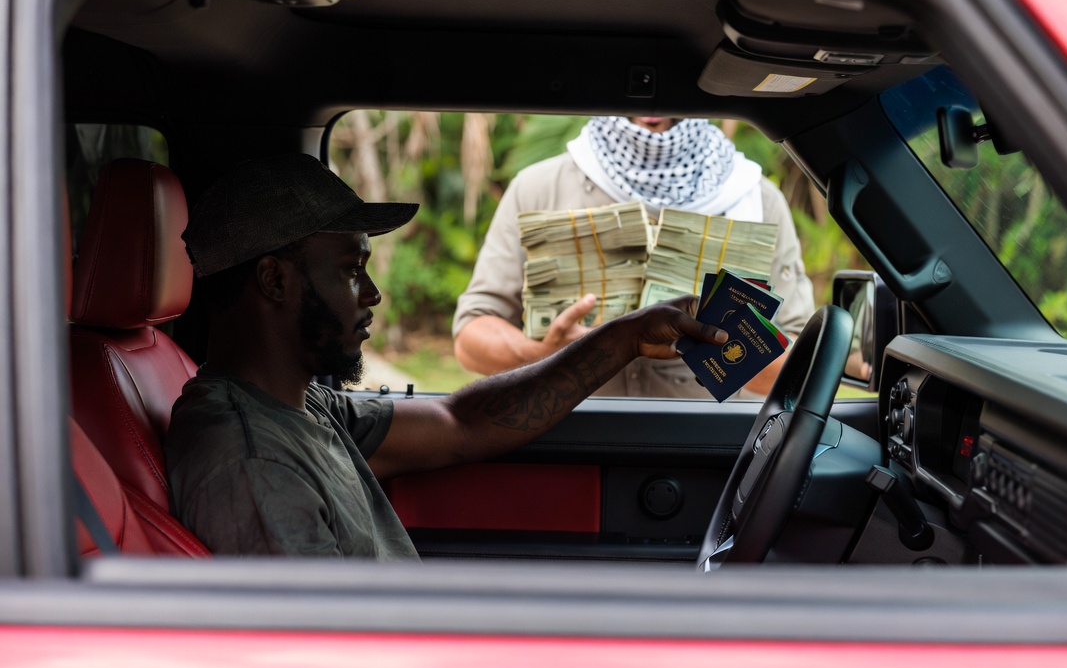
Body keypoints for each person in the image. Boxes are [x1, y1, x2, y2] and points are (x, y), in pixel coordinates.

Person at [164, 153, 726, 559]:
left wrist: (624, 338)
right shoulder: (254, 460)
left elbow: (460, 424)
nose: (373, 295)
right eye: (351, 270)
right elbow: (323, 656)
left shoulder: (300, 404)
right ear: (274, 280)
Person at [452, 116, 815, 398]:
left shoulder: (756, 198)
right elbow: (471, 339)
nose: (650, 113)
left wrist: (730, 348)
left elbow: (802, 360)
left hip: (713, 454)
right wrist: (542, 351)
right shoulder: (538, 187)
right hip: (571, 447)